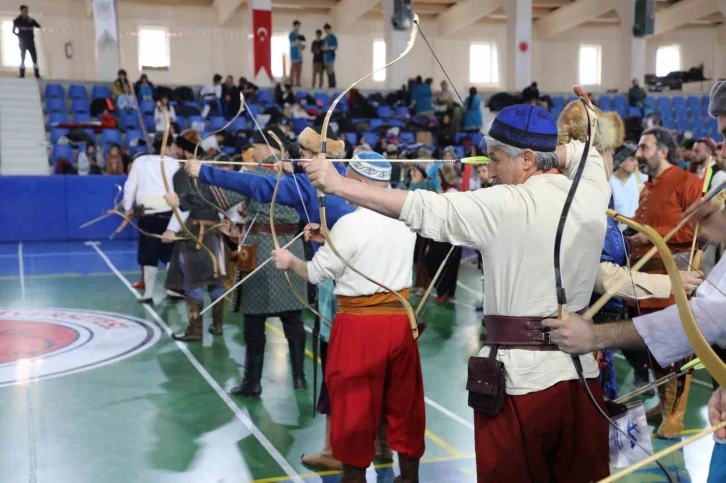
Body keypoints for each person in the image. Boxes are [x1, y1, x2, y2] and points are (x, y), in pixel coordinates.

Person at [302, 104, 612, 481]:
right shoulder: (594, 189)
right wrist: (544, 147)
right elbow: (586, 152)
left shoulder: (505, 203)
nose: (492, 171)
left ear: (528, 159)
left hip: (522, 387)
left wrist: (337, 185)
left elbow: (420, 206)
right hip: (582, 379)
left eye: (496, 160)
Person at [271, 152, 423, 483]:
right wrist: (329, 240)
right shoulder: (405, 216)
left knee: (354, 405)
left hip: (359, 327)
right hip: (400, 323)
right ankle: (409, 476)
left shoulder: (350, 224)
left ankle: (353, 477)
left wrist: (289, 261)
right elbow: (370, 249)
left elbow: (315, 273)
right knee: (404, 400)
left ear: (361, 184)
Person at [625, 126, 703, 438]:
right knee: (652, 348)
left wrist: (650, 235)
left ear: (663, 152)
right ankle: (664, 402)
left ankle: (676, 416)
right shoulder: (647, 186)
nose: (638, 154)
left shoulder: (688, 182)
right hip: (643, 282)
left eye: (645, 148)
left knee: (674, 350)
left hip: (671, 282)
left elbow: (698, 232)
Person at [161, 132, 244, 340]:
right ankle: (217, 326)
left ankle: (195, 330)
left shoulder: (182, 174)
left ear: (182, 151)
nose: (175, 152)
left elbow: (184, 207)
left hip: (195, 234)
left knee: (193, 280)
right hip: (214, 232)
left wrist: (172, 222)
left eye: (177, 149)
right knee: (215, 280)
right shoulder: (210, 170)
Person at [122, 137, 179, 304]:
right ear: (167, 147)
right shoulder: (174, 163)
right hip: (167, 213)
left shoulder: (140, 161)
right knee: (169, 254)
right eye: (173, 146)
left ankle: (149, 294)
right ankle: (172, 291)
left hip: (148, 214)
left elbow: (130, 185)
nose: (174, 150)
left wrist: (127, 208)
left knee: (149, 254)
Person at [609, 143, 646, 231]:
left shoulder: (641, 179)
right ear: (620, 163)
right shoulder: (609, 182)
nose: (636, 163)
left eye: (636, 160)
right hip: (616, 233)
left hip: (636, 231)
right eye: (632, 160)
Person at [13, 5, 40, 78]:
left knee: (34, 57)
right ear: (21, 11)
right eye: (25, 10)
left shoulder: (30, 20)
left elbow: (38, 26)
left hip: (31, 41)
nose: (26, 12)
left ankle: (37, 74)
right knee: (22, 57)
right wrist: (20, 35)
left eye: (27, 11)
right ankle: (22, 74)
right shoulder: (17, 20)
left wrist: (32, 21)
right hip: (22, 42)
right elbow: (13, 31)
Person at [322, 23, 337, 88]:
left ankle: (333, 86)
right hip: (325, 58)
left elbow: (335, 46)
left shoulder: (333, 37)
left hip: (330, 57)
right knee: (328, 73)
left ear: (329, 29)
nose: (326, 31)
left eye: (327, 29)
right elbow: (322, 47)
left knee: (331, 72)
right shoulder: (325, 38)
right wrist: (322, 48)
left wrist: (327, 48)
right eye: (325, 30)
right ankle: (330, 85)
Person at [289, 21, 304, 87]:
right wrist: (298, 41)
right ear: (294, 26)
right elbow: (292, 44)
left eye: (299, 26)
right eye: (297, 26)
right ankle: (291, 84)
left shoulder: (298, 35)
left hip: (299, 55)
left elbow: (298, 45)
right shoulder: (291, 34)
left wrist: (302, 47)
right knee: (293, 70)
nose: (298, 27)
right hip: (294, 55)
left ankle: (298, 83)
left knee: (299, 70)